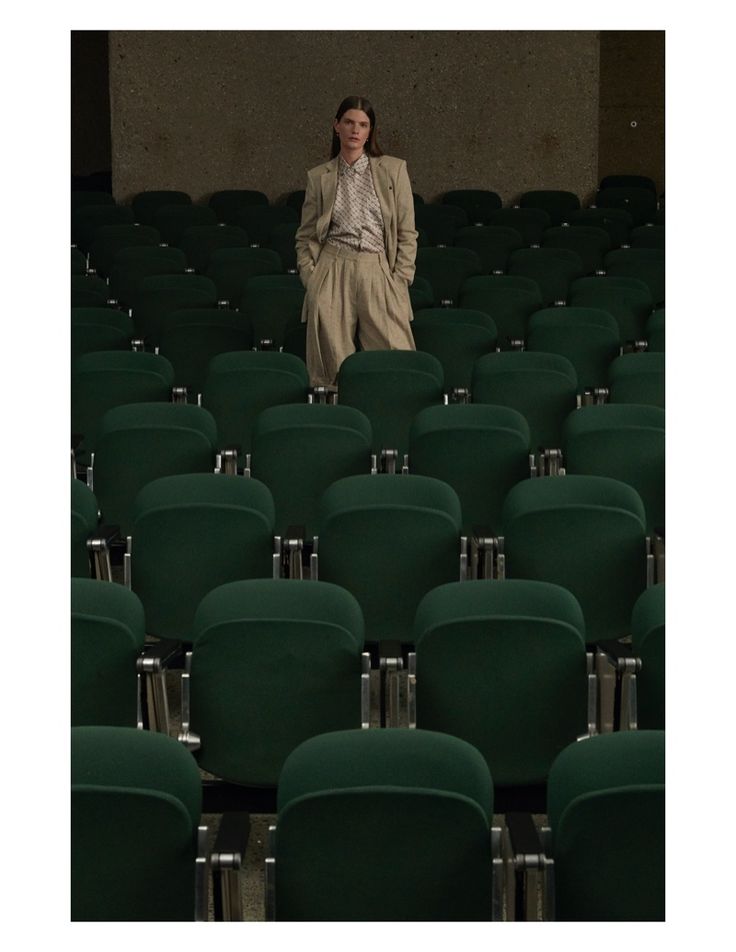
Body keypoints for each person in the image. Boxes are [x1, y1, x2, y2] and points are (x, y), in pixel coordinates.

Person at [295, 95, 417, 388]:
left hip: (378, 268)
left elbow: (406, 232)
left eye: (363, 124)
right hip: (332, 268)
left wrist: (400, 281)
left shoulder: (393, 170)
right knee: (331, 368)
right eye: (349, 122)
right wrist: (312, 280)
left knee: (395, 362)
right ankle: (337, 427)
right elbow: (306, 235)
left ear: (370, 131)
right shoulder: (319, 177)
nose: (355, 130)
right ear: (337, 126)